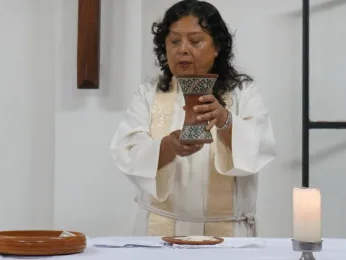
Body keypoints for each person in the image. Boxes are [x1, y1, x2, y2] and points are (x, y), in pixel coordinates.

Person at [110, 0, 276, 237]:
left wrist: (225, 120)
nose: (183, 49)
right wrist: (168, 146)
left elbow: (262, 146)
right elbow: (126, 150)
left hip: (228, 234)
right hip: (159, 232)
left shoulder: (242, 93)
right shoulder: (149, 93)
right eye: (174, 41)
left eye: (195, 41)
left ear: (216, 46)